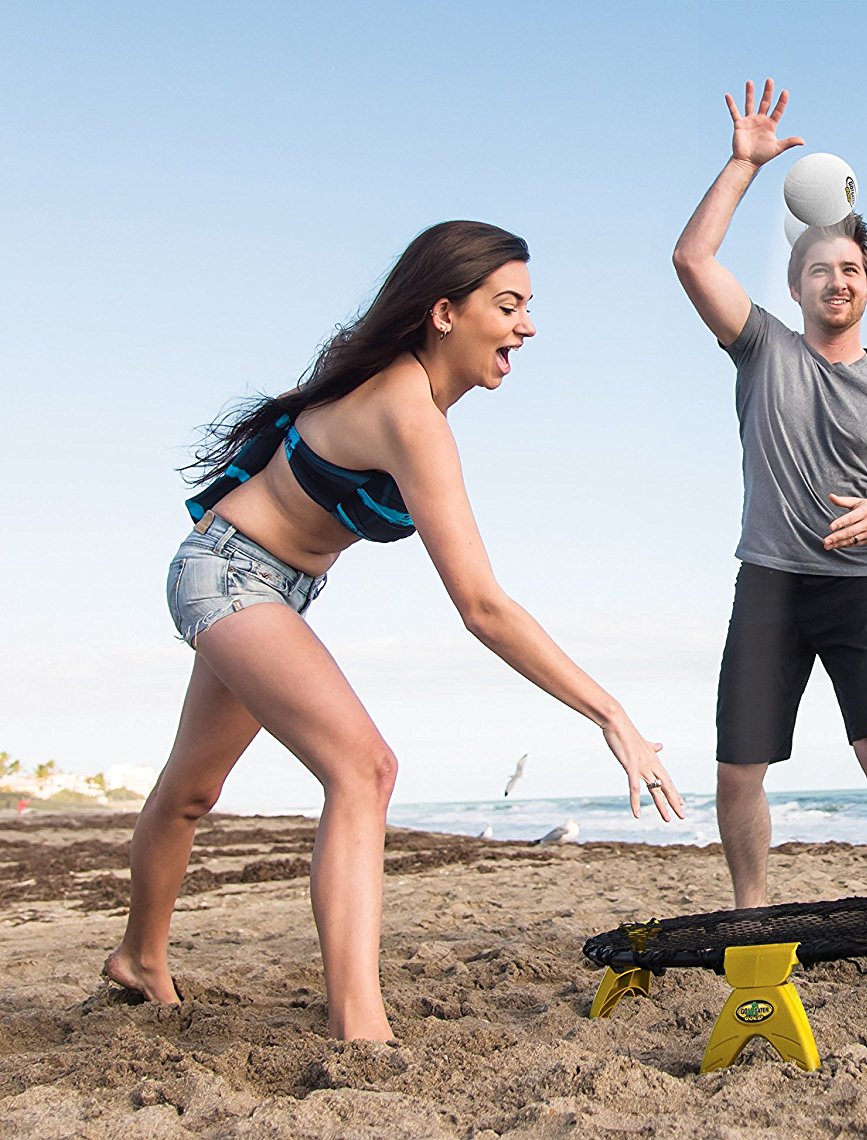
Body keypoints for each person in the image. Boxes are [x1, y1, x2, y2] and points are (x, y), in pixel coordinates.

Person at [105, 221, 685, 1041]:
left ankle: (138, 958)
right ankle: (359, 1023)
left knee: (190, 792)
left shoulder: (414, 399)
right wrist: (610, 713)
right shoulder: (409, 410)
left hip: (273, 585)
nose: (528, 326)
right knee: (365, 768)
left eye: (529, 307)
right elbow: (482, 605)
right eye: (510, 305)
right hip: (227, 573)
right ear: (445, 312)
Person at [674, 80, 867, 909]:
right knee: (737, 765)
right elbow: (691, 259)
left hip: (857, 589)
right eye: (820, 268)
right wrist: (742, 165)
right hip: (771, 584)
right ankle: (752, 911)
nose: (838, 279)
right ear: (794, 287)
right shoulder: (761, 347)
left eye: (852, 268)